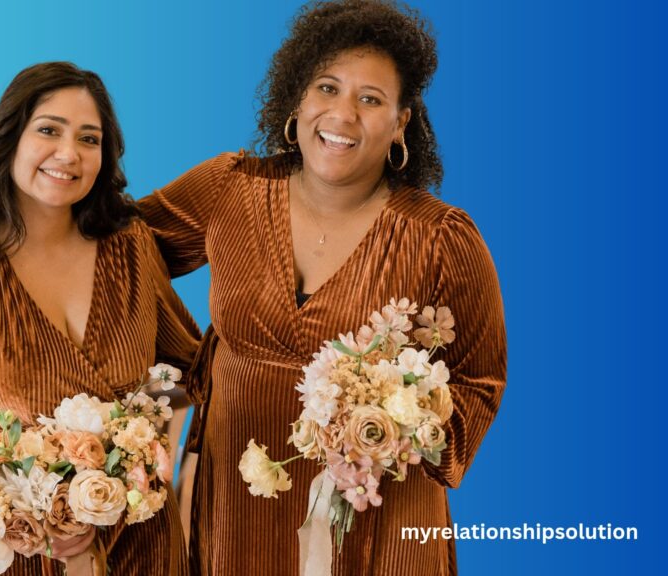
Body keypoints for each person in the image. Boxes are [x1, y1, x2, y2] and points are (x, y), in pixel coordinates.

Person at [139, 1, 506, 574]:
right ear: (298, 100)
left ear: (401, 122)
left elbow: (480, 381)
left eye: (370, 98)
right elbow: (116, 256)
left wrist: (404, 427)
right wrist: (190, 363)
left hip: (376, 523)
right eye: (327, 88)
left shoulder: (440, 238)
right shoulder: (228, 191)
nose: (343, 114)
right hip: (236, 511)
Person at [0, 62, 198, 576]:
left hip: (143, 546)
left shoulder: (129, 246)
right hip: (22, 557)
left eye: (90, 139)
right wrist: (38, 521)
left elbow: (183, 370)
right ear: (10, 138)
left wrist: (144, 471)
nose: (69, 154)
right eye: (49, 130)